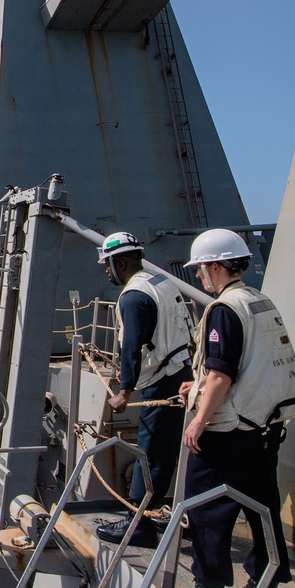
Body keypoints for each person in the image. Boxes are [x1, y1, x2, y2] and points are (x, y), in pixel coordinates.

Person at [152, 229, 295, 588]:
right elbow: (251, 364)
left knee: (205, 510)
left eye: (202, 269)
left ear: (217, 266)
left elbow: (222, 372)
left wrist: (199, 420)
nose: (200, 277)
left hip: (230, 431)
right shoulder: (260, 301)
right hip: (265, 427)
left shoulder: (223, 309)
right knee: (263, 509)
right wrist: (198, 385)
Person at [94, 232, 193, 549]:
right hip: (181, 371)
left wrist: (124, 392)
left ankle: (137, 523)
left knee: (149, 452)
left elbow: (133, 346)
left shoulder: (134, 296)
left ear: (120, 263)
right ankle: (154, 515)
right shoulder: (161, 281)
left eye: (107, 266)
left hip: (162, 381)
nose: (107, 272)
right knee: (163, 453)